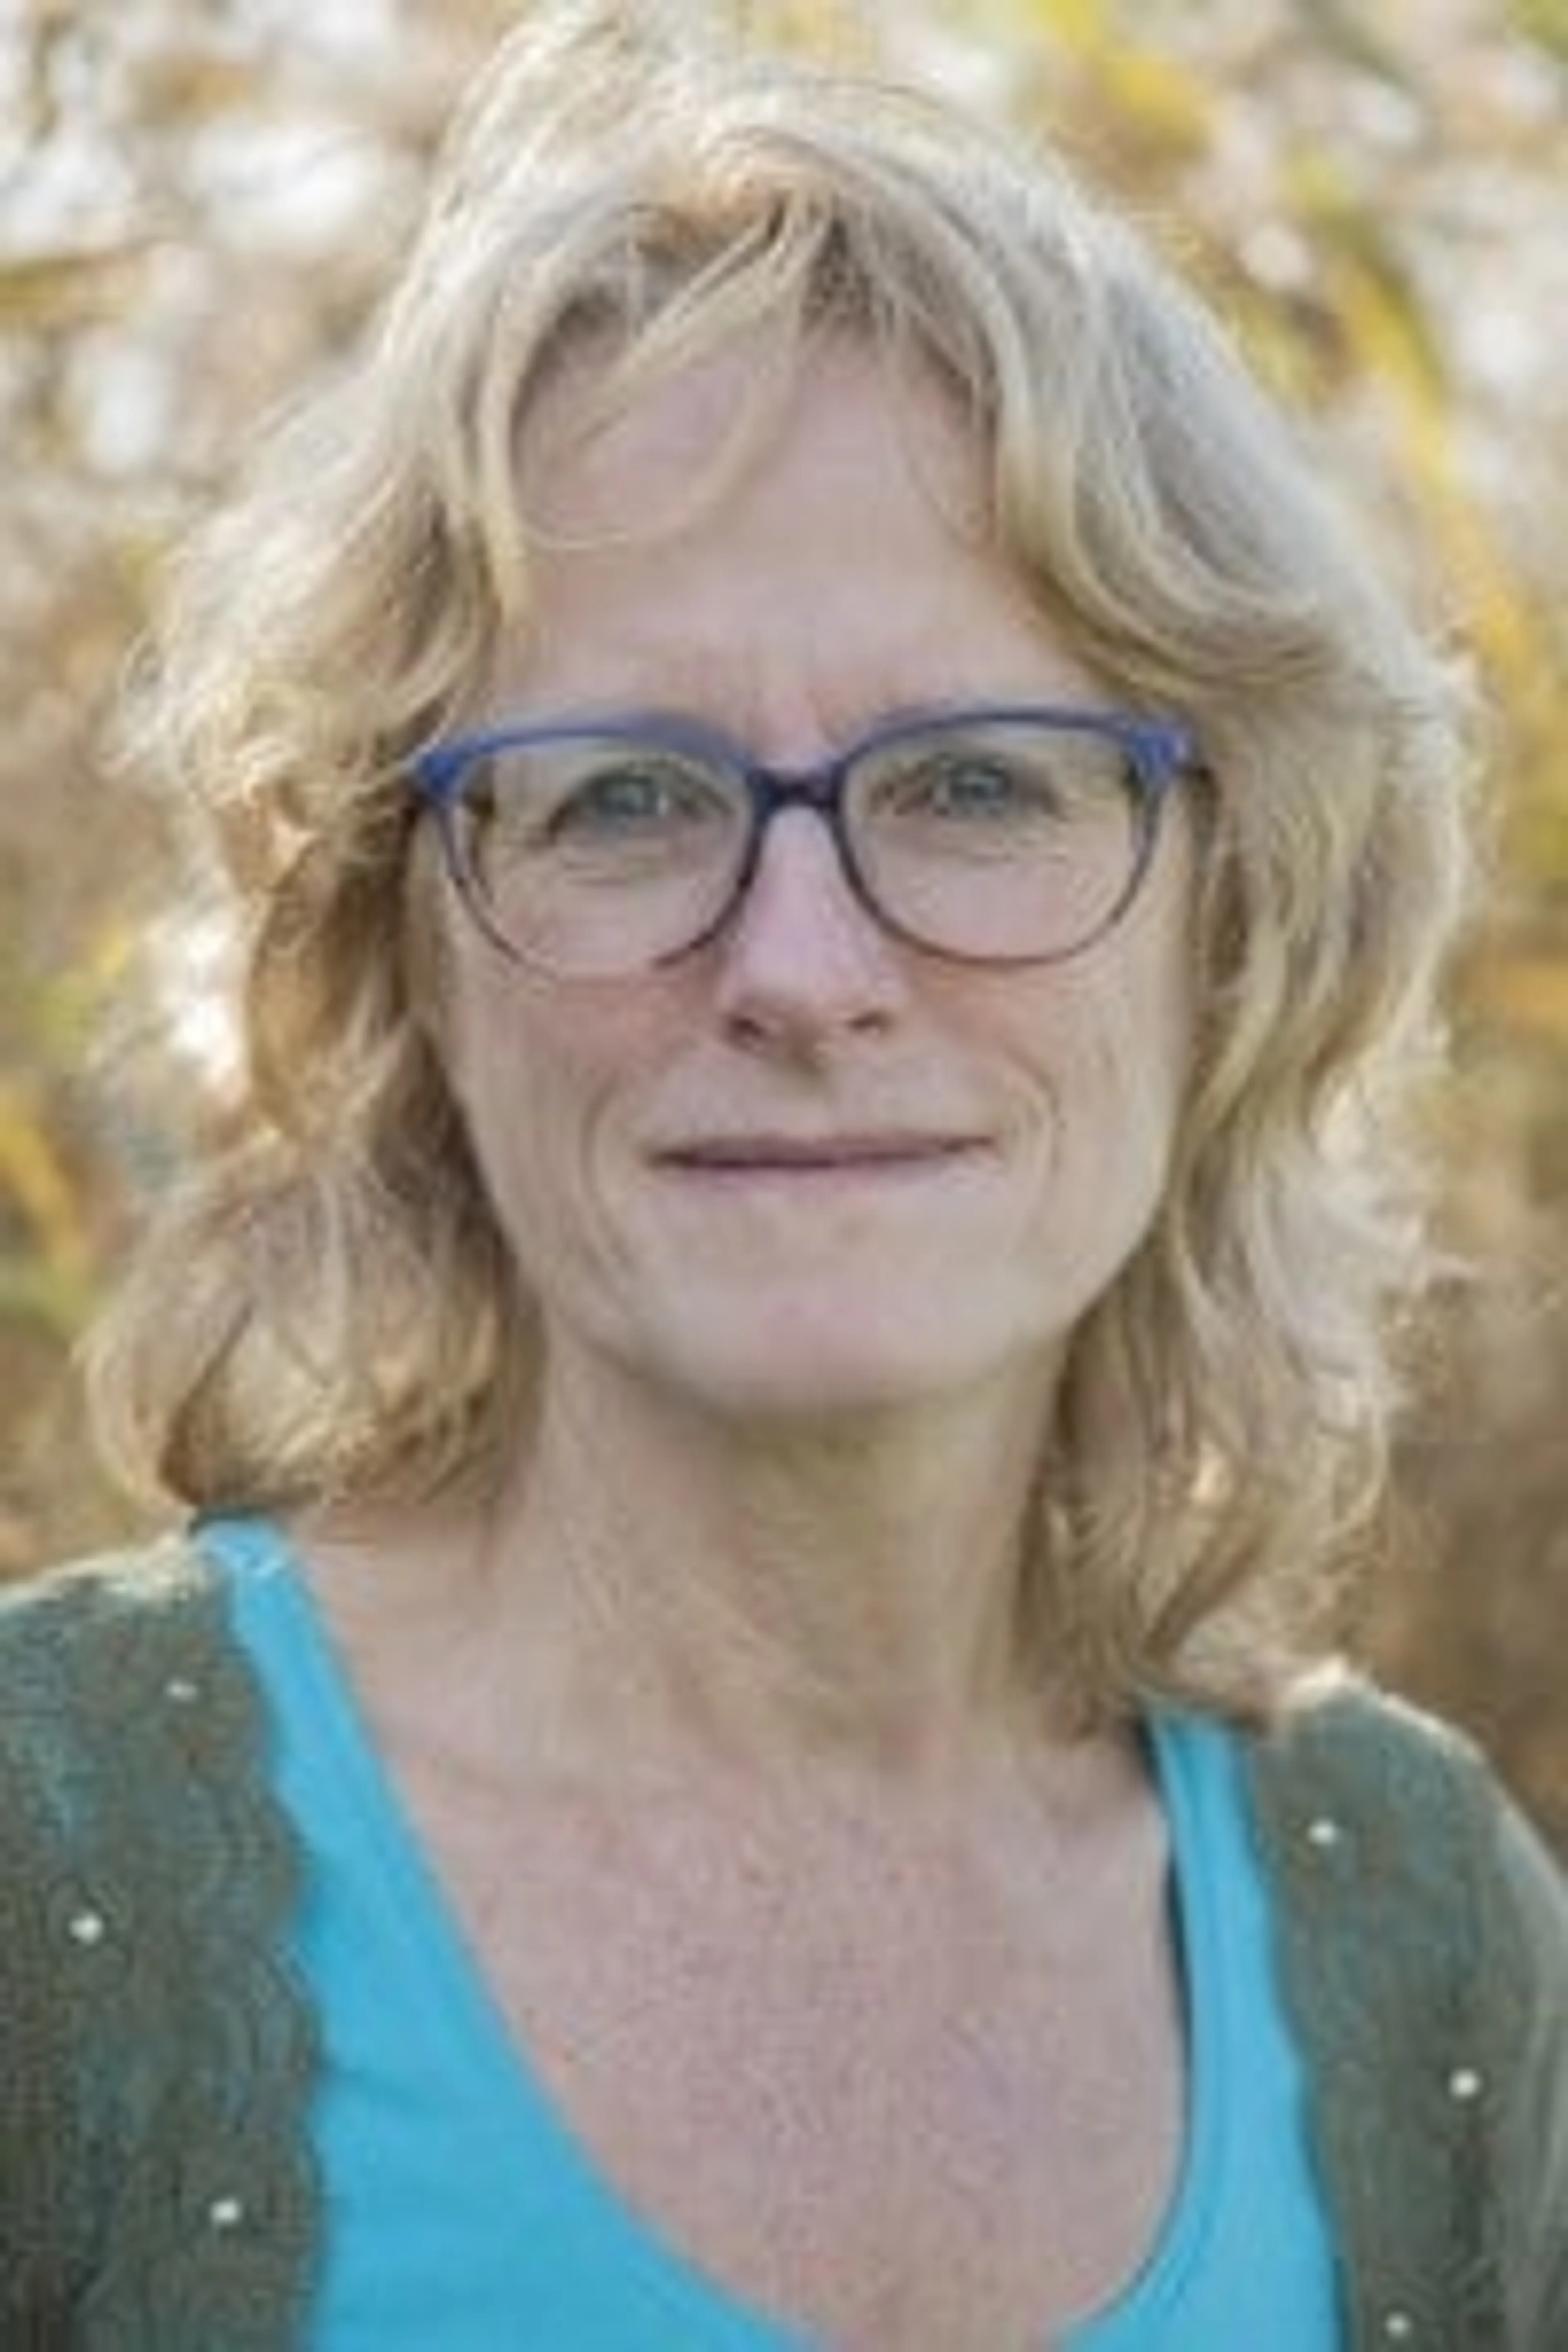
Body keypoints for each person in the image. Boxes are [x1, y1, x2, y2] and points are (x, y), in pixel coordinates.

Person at [3, 4, 1564, 2345]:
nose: (804, 971)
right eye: (626, 798)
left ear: (1239, 924)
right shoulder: (54, 1882)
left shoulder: (1429, 1941)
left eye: (980, 783)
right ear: (400, 953)